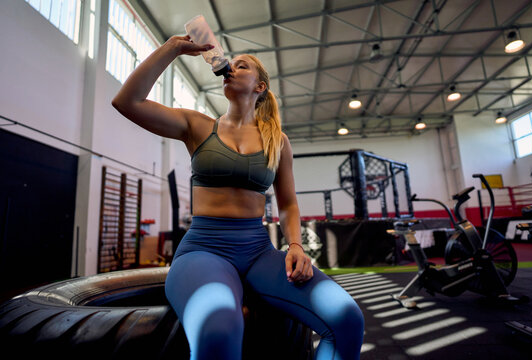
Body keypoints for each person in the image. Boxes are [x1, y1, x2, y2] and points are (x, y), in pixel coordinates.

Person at [111, 34, 364, 360]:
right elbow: (126, 101)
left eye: (242, 65)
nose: (231, 67)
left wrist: (296, 246)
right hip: (203, 249)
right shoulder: (197, 125)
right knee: (219, 329)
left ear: (260, 87)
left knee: (347, 318)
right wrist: (173, 47)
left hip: (257, 250)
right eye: (231, 64)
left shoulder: (278, 141)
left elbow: (288, 203)